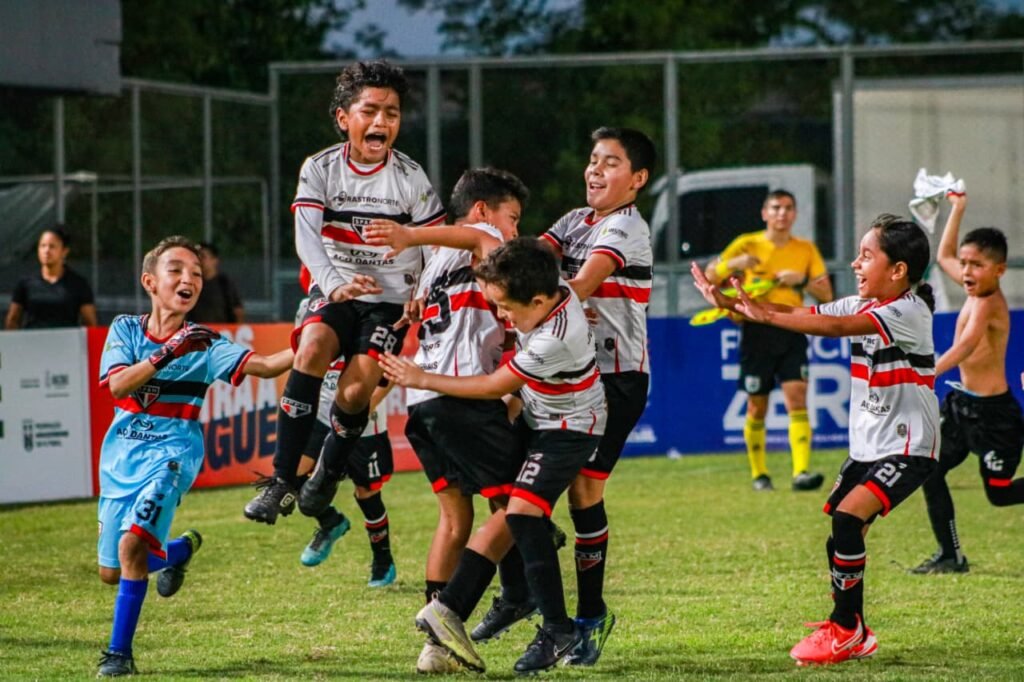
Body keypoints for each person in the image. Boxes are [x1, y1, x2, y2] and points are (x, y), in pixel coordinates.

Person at [693, 215, 940, 666]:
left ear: (898, 271)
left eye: (866, 255)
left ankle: (845, 631)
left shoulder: (907, 312)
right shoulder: (866, 305)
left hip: (909, 445)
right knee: (840, 535)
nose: (855, 263)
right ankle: (853, 628)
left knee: (848, 521)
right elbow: (804, 313)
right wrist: (734, 305)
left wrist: (763, 313)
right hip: (867, 448)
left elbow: (834, 329)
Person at [380, 237, 607, 675]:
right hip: (538, 417)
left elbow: (492, 386)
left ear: (539, 301)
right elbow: (483, 240)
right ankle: (455, 610)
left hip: (569, 429)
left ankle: (557, 628)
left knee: (520, 514)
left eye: (505, 308)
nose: (501, 316)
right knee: (509, 512)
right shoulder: (542, 289)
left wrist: (422, 377)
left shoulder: (557, 338)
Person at [472, 126, 656, 665]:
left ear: (637, 180)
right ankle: (519, 590)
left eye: (611, 163)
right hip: (558, 370)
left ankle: (590, 617)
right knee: (501, 469)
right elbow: (525, 257)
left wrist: (514, 288)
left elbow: (571, 290)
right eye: (593, 159)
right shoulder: (575, 221)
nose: (595, 170)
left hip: (611, 381)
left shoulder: (625, 230)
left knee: (582, 497)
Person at [242, 59, 446, 524]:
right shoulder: (320, 168)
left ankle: (329, 471)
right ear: (344, 119)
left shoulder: (411, 178)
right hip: (334, 294)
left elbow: (437, 243)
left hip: (389, 305)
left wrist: (425, 289)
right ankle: (281, 483)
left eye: (391, 113)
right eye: (370, 111)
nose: (381, 122)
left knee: (354, 395)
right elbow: (306, 235)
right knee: (310, 349)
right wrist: (333, 285)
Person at [95, 236, 293, 677]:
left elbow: (264, 365)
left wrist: (315, 343)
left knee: (132, 548)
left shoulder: (205, 343)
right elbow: (117, 386)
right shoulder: (126, 329)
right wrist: (168, 352)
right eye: (177, 270)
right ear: (150, 281)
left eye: (198, 273)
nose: (189, 278)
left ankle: (118, 656)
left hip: (171, 457)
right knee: (115, 571)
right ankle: (180, 550)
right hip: (120, 459)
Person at [364, 167, 529, 673]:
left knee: (455, 520)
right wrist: (410, 233)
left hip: (423, 402)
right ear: (483, 210)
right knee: (524, 504)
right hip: (461, 396)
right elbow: (483, 236)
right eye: (513, 217)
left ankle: (435, 650)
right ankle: (451, 610)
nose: (514, 231)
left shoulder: (437, 263)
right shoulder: (484, 241)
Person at [911, 192, 1024, 574]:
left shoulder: (991, 304)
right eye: (966, 264)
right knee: (931, 470)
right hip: (963, 408)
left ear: (999, 270)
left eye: (977, 264)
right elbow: (943, 256)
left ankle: (950, 555)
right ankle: (950, 555)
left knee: (1000, 494)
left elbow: (965, 346)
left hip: (996, 417)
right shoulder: (975, 286)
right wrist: (957, 208)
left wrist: (927, 373)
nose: (967, 272)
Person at [704, 190, 833, 492]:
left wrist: (800, 281)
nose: (782, 214)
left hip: (792, 326)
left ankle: (801, 472)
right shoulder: (747, 243)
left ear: (795, 214)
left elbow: (827, 295)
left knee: (797, 398)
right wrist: (733, 262)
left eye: (788, 208)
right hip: (755, 330)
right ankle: (759, 475)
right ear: (765, 213)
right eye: (776, 208)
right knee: (756, 406)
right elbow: (710, 276)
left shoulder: (805, 249)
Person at [291, 293, 398, 587]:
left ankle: (382, 560)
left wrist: (366, 404)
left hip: (361, 415)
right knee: (293, 475)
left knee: (367, 493)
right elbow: (302, 357)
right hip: (321, 411)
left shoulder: (382, 303)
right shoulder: (308, 306)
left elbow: (391, 369)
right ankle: (330, 522)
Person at [6, 225, 98, 329]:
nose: (46, 251)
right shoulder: (25, 283)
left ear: (64, 251)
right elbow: (12, 320)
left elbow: (90, 323)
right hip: (33, 343)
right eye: (43, 246)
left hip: (67, 343)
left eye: (52, 246)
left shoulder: (79, 284)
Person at [187, 242, 244, 323]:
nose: (199, 260)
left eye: (203, 256)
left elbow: (238, 311)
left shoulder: (224, 284)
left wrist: (236, 331)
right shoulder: (190, 283)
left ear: (215, 260)